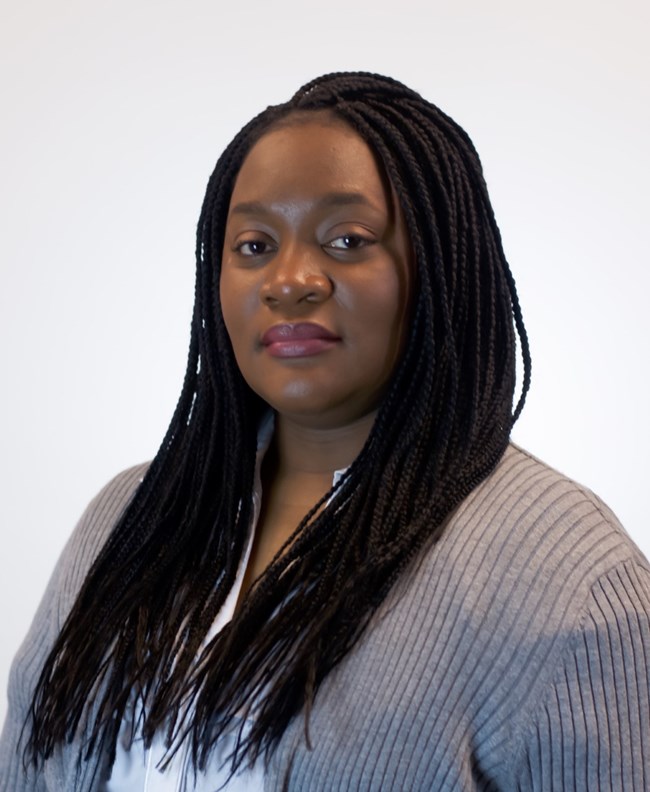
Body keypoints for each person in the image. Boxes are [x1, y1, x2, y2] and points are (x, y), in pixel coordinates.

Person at [1, 72, 648, 791]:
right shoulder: (129, 519)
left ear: (439, 268)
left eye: (347, 239)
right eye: (253, 245)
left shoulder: (568, 581)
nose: (290, 280)